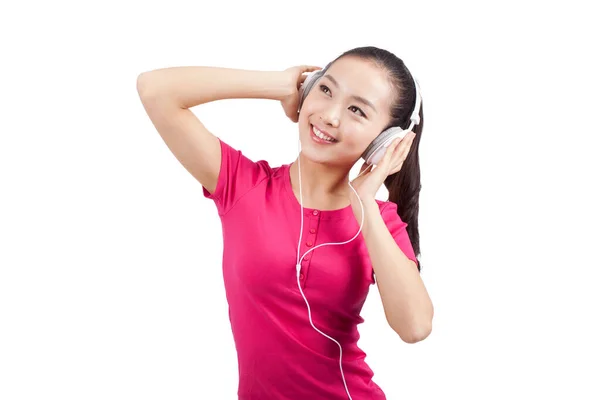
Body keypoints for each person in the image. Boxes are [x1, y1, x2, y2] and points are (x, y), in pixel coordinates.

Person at [137, 46, 434, 400]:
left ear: (385, 140)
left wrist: (365, 204)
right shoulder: (242, 186)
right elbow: (155, 89)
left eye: (356, 109)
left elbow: (415, 327)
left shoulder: (378, 222)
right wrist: (279, 84)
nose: (331, 116)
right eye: (325, 90)